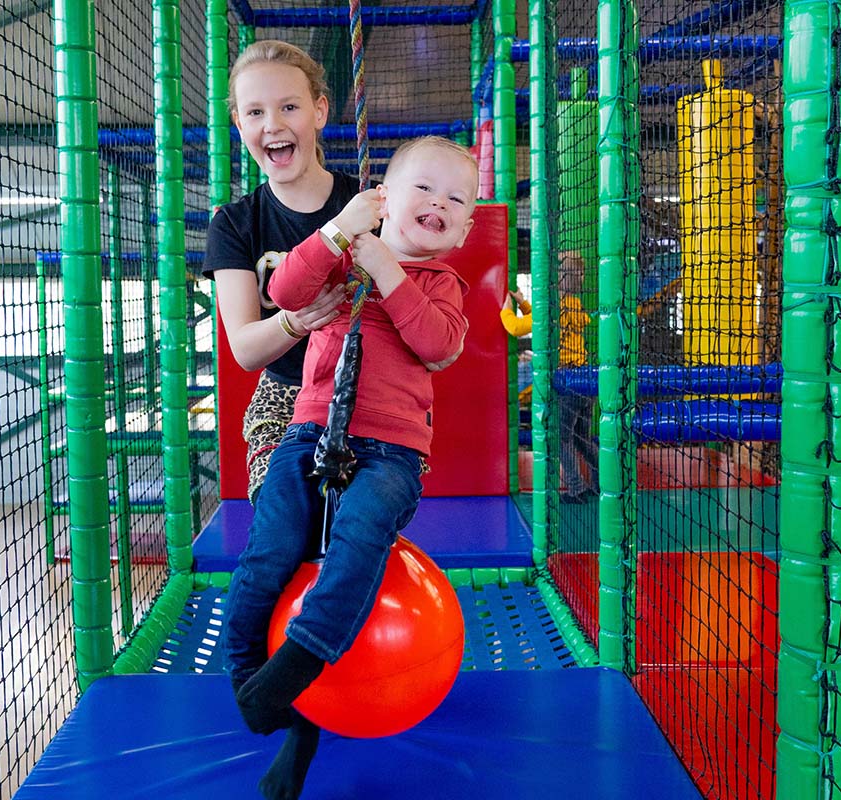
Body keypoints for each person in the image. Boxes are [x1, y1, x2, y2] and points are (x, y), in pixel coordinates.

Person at [224, 136, 477, 800]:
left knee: (359, 535)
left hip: (390, 452)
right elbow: (283, 287)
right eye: (424, 189)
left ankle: (301, 659)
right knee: (272, 544)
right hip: (308, 433)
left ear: (466, 227)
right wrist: (338, 234)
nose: (439, 204)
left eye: (456, 200)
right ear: (384, 199)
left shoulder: (442, 284)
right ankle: (251, 675)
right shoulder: (342, 261)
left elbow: (437, 345)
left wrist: (388, 269)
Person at [203, 40, 357, 504]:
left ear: (319, 111)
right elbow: (247, 349)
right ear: (239, 124)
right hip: (284, 394)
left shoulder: (364, 205)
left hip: (361, 390)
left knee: (361, 517)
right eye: (254, 113)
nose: (272, 125)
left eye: (289, 106)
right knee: (283, 514)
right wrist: (298, 319)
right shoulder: (234, 224)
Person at [500, 251, 597, 498]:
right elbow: (543, 320)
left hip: (567, 382)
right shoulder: (572, 304)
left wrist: (506, 310)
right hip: (586, 380)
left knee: (561, 438)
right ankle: (599, 484)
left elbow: (516, 328)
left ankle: (576, 489)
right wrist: (523, 303)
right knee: (582, 438)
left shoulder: (553, 305)